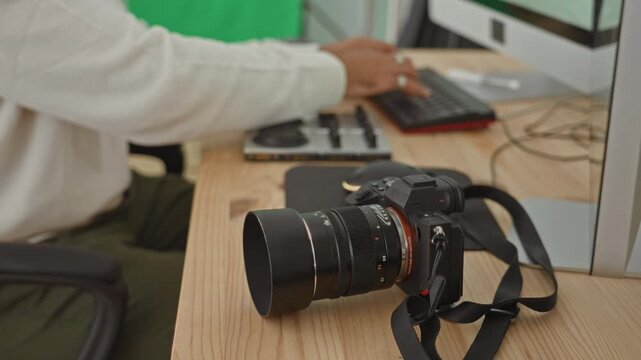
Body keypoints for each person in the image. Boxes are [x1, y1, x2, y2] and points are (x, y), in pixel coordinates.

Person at [0, 0, 427, 359]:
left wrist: (315, 60)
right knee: (252, 319)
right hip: (25, 253)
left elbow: (130, 49)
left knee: (295, 238)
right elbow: (152, 81)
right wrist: (332, 71)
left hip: (94, 194)